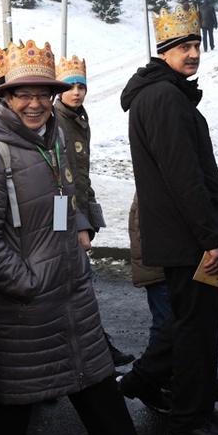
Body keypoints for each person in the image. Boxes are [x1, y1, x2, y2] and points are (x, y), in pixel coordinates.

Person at [0, 39, 154, 435]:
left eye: (42, 94)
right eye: (22, 94)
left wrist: (78, 234)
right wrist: (28, 285)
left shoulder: (54, 141)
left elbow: (63, 204)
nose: (34, 103)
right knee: (7, 426)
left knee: (109, 416)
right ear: (5, 97)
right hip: (24, 317)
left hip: (73, 306)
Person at [119, 4, 218, 435]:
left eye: (195, 45)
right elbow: (183, 175)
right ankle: (189, 417)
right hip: (189, 237)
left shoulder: (165, 93)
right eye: (182, 47)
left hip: (184, 233)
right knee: (196, 328)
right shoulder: (164, 97)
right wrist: (211, 239)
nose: (192, 54)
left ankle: (141, 384)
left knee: (190, 322)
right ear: (163, 52)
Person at [127, 193, 218, 407]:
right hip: (164, 267)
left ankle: (196, 383)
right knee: (171, 325)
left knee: (178, 324)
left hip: (170, 263)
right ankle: (153, 383)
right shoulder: (161, 187)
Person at [54, 54, 135, 367]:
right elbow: (61, 179)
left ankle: (86, 349)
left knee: (75, 287)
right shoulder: (56, 120)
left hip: (77, 211)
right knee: (78, 287)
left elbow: (81, 173)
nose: (77, 92)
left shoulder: (77, 118)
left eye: (82, 86)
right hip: (65, 217)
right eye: (70, 86)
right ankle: (95, 349)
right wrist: (75, 225)